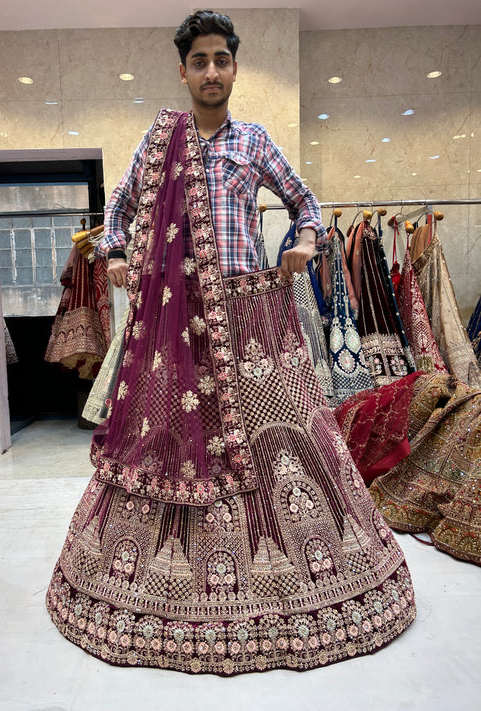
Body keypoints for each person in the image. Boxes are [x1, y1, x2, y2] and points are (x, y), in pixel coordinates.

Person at [46, 10, 416, 676]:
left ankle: (291, 585)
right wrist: (114, 254)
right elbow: (118, 208)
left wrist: (304, 243)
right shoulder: (158, 146)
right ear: (183, 69)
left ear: (234, 67)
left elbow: (306, 203)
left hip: (252, 319)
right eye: (199, 61)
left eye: (221, 59)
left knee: (277, 443)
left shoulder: (253, 141)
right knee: (175, 439)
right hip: (177, 324)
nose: (211, 71)